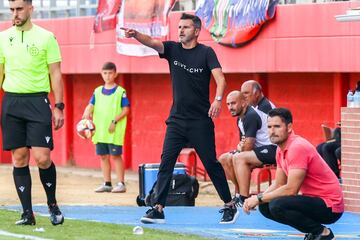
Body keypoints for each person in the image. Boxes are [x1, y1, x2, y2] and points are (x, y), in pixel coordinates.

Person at [122, 13, 238, 224]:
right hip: (176, 120)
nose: (181, 30)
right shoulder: (173, 49)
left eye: (185, 27)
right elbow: (153, 43)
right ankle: (158, 208)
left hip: (200, 121)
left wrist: (218, 100)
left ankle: (229, 205)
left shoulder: (206, 52)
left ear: (196, 31)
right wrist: (136, 34)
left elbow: (220, 79)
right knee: (166, 163)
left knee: (211, 164)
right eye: (179, 27)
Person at [0, 0, 64, 226]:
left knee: (42, 158)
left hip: (38, 101)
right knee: (18, 158)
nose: (15, 14)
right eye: (11, 10)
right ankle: (27, 213)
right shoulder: (3, 37)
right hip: (12, 102)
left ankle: (52, 204)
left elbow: (55, 73)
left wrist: (59, 106)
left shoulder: (47, 37)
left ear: (30, 9)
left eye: (18, 9)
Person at [243, 108, 344, 240]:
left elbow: (291, 190)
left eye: (277, 126)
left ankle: (323, 233)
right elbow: (279, 184)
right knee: (266, 206)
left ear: (289, 127)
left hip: (330, 206)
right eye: (269, 127)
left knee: (276, 205)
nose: (272, 131)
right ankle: (314, 232)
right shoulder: (280, 148)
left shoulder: (297, 147)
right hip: (314, 200)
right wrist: (259, 198)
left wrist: (257, 198)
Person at [219, 91, 276, 206]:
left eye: (233, 103)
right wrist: (241, 147)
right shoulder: (240, 118)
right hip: (257, 150)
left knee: (239, 158)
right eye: (228, 104)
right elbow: (243, 143)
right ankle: (239, 194)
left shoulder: (251, 115)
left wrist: (241, 147)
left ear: (244, 103)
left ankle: (244, 198)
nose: (230, 107)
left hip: (272, 149)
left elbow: (247, 146)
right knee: (224, 158)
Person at [82, 62, 130, 193]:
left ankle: (121, 183)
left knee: (116, 156)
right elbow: (91, 105)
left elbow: (126, 110)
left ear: (115, 74)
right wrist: (86, 112)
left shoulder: (121, 92)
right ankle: (107, 183)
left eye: (110, 73)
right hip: (100, 131)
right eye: (105, 73)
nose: (107, 76)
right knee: (103, 156)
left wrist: (114, 121)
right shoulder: (97, 91)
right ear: (101, 74)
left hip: (114, 131)